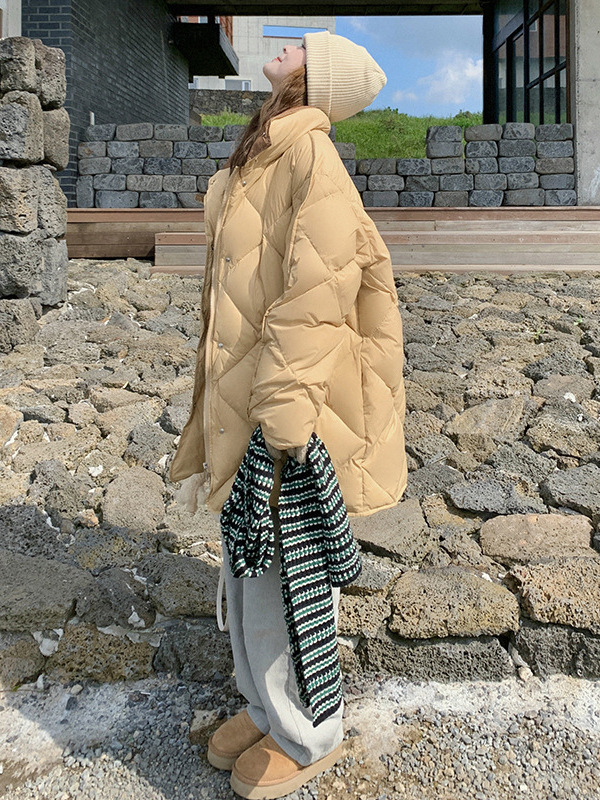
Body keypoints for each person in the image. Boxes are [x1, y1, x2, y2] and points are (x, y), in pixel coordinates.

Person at [169, 29, 408, 800]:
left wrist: (284, 407)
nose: (282, 44)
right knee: (249, 566)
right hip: (249, 397)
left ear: (316, 76)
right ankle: (264, 710)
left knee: (285, 574)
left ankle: (308, 734)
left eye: (299, 44)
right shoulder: (266, 152)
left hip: (282, 405)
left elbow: (318, 292)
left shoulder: (311, 157)